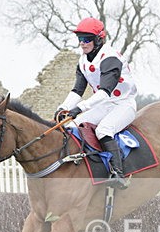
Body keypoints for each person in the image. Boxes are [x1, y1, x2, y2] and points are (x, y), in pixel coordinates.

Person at [55, 17, 137, 188]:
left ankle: (118, 174)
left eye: (86, 39)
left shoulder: (110, 58)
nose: (82, 43)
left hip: (123, 103)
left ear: (99, 39)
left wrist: (80, 108)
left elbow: (104, 92)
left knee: (104, 130)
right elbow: (77, 90)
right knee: (72, 126)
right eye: (80, 39)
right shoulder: (83, 61)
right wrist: (63, 108)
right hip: (104, 105)